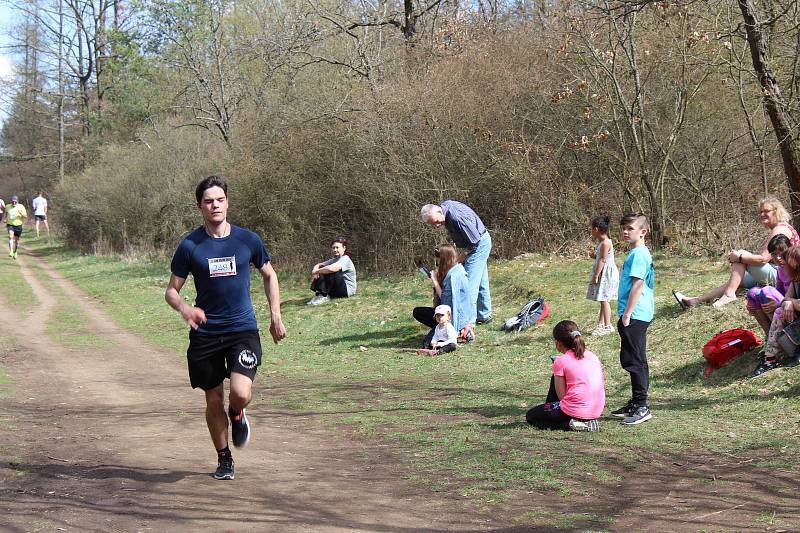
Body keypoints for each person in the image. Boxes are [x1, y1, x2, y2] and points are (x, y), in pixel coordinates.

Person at [165, 175, 287, 481]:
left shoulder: (248, 240)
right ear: (200, 207)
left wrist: (275, 316)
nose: (215, 205)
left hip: (241, 329)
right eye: (208, 201)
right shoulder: (190, 246)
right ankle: (224, 458)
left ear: (227, 202)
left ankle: (238, 413)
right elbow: (171, 291)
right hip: (205, 333)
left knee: (240, 393)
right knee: (213, 399)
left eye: (220, 200)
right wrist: (185, 308)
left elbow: (269, 275)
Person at [673, 196, 800, 308]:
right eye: (760, 212)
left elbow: (763, 259)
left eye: (766, 211)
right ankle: (696, 300)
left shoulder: (779, 230)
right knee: (737, 279)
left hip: (785, 274)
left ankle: (729, 295)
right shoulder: (781, 227)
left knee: (741, 257)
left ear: (777, 212)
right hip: (777, 271)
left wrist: (738, 257)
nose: (762, 214)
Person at [612, 213, 655, 425]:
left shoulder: (639, 254)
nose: (625, 232)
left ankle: (642, 406)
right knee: (632, 358)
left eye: (630, 228)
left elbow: (637, 285)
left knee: (635, 360)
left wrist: (627, 313)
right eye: (624, 228)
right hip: (635, 313)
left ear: (643, 231)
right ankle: (636, 402)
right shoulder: (637, 253)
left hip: (636, 314)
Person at [525, 320, 605, 432]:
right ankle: (584, 421)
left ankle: (569, 424)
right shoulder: (592, 356)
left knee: (531, 416)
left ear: (558, 343)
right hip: (596, 409)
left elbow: (562, 397)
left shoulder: (561, 361)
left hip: (573, 410)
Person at [420, 201, 492, 325]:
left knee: (468, 287)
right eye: (434, 224)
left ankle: (467, 325)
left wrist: (458, 260)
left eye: (437, 222)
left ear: (439, 211)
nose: (437, 226)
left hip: (478, 245)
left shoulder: (456, 217)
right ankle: (484, 315)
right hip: (477, 243)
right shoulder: (445, 208)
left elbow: (474, 242)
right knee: (480, 281)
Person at [750, 245, 800, 377]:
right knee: (779, 312)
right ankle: (770, 359)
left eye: (786, 264)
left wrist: (792, 303)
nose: (783, 268)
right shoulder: (796, 280)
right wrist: (789, 302)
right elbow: (785, 300)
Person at [413, 244, 475, 342]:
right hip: (455, 315)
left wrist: (435, 281)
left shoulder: (453, 277)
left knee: (428, 343)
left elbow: (445, 302)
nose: (438, 265)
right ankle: (446, 329)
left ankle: (459, 331)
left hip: (453, 318)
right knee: (418, 312)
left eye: (439, 263)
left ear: (444, 260)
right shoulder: (456, 269)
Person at [746, 234, 792, 337]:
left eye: (782, 252)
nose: (778, 257)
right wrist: (753, 303)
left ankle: (782, 337)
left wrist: (779, 303)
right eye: (774, 254)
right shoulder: (780, 269)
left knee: (766, 290)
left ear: (790, 248)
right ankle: (770, 336)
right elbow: (779, 291)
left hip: (793, 306)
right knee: (753, 293)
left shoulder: (796, 267)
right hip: (785, 301)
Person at [587, 215, 619, 336]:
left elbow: (603, 260)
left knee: (605, 299)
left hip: (606, 275)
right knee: (601, 298)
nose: (591, 232)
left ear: (596, 229)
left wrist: (596, 275)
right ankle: (601, 324)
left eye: (591, 229)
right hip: (603, 274)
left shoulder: (606, 242)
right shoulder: (601, 243)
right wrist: (594, 256)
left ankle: (608, 325)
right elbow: (600, 257)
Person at [308, 236, 356, 305]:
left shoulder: (345, 259)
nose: (335, 250)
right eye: (333, 248)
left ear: (344, 248)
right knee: (323, 268)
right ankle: (321, 295)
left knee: (331, 270)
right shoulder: (335, 259)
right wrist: (315, 269)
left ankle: (323, 296)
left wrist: (317, 271)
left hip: (347, 291)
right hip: (337, 289)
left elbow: (332, 269)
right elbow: (319, 264)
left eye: (337, 247)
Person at [5, 195, 27, 259]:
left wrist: (21, 213)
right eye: (13, 201)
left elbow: (25, 216)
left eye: (15, 202)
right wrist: (5, 219)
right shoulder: (7, 206)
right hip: (10, 224)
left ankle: (15, 251)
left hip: (18, 225)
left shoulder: (21, 206)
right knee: (10, 236)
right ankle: (11, 251)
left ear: (17, 201)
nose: (14, 203)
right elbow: (6, 214)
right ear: (11, 201)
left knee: (16, 241)